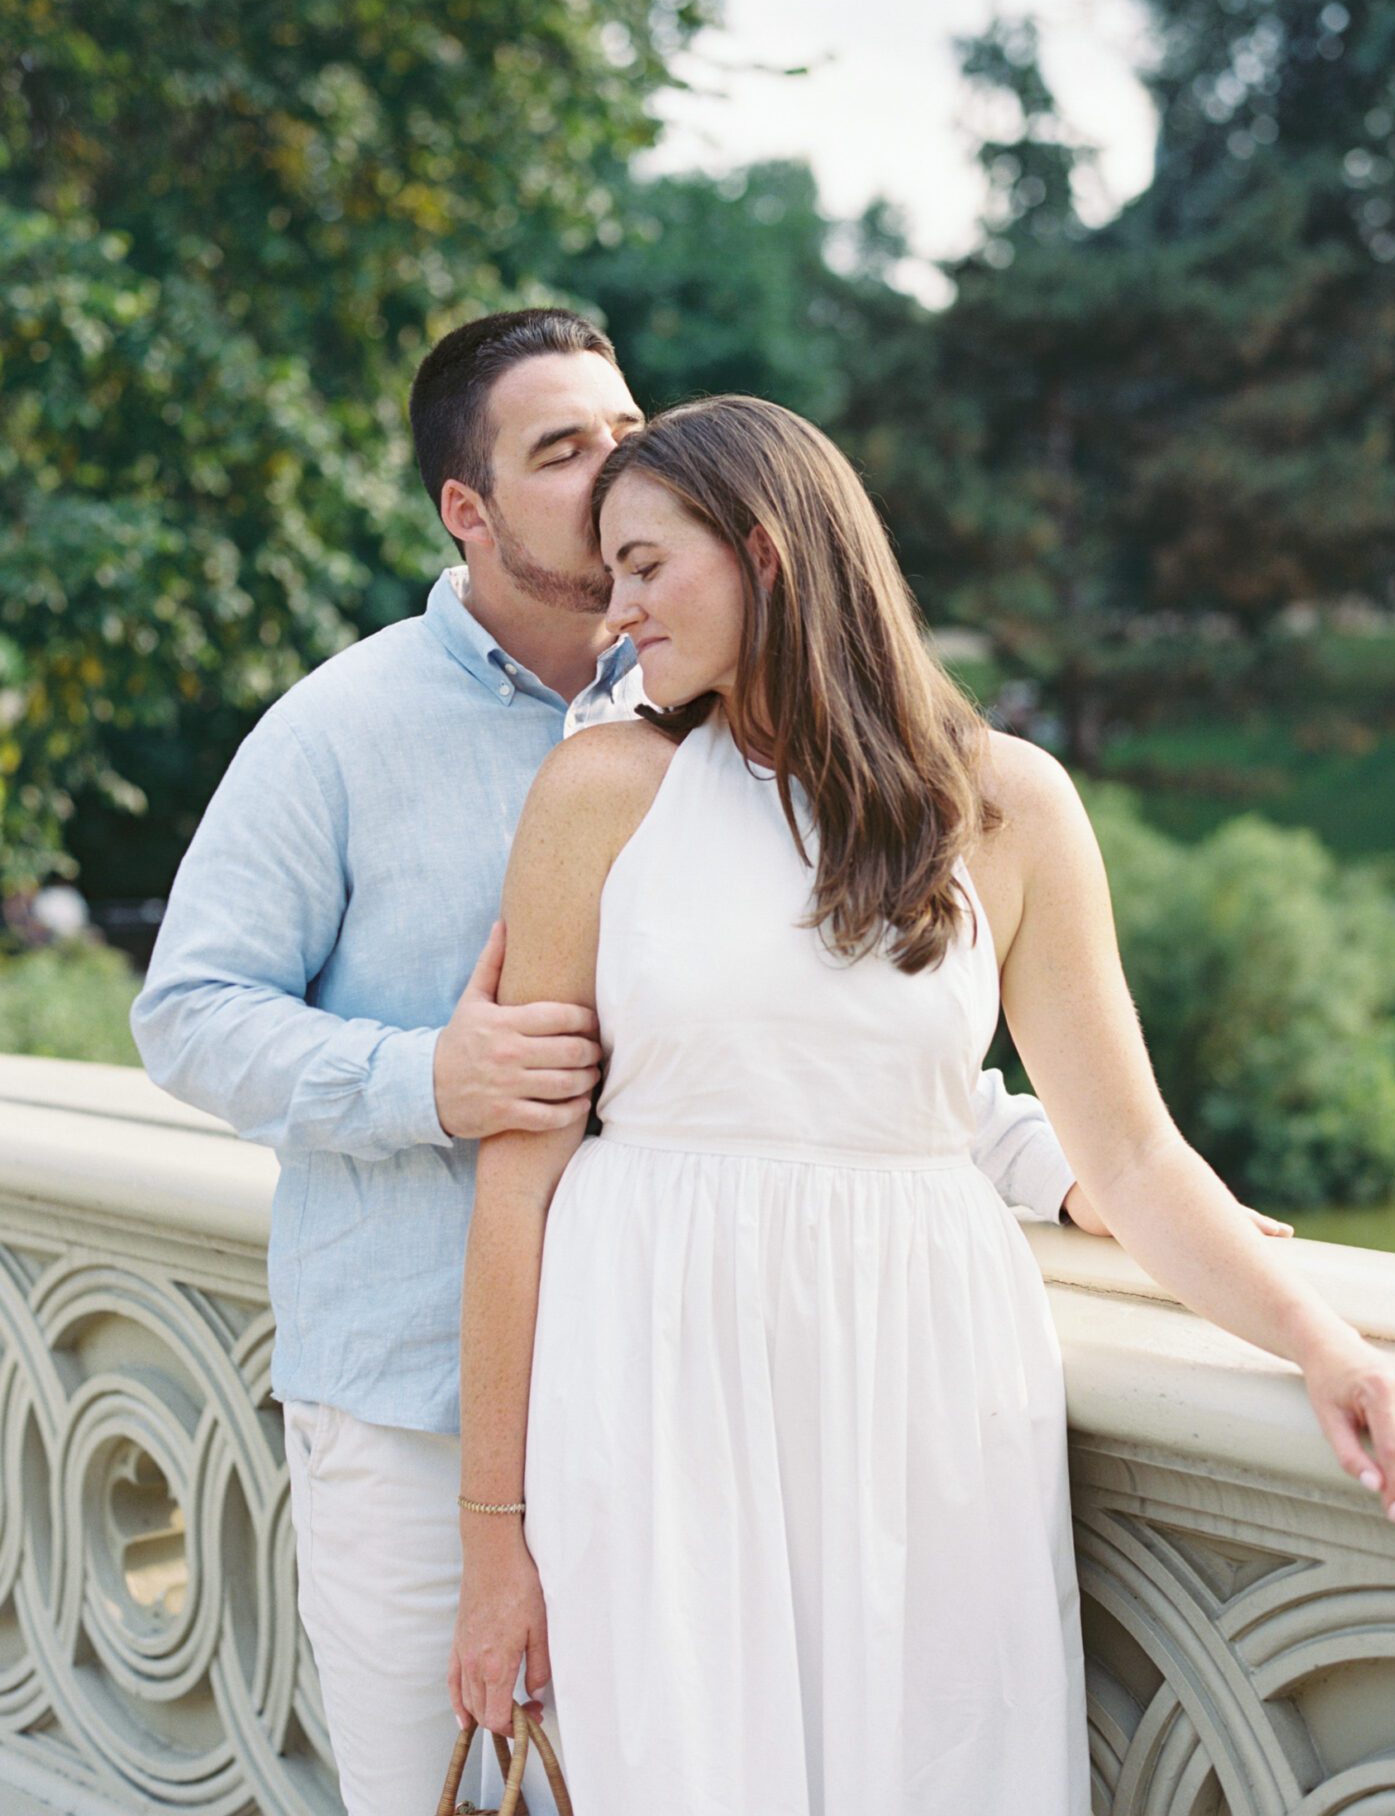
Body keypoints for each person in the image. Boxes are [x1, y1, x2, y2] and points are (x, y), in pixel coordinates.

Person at [131, 310, 1131, 1816]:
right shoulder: (342, 729)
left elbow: (786, 1057)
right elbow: (187, 1010)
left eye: (623, 426)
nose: (615, 466)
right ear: (466, 511)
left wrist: (1072, 1169)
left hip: (681, 1417)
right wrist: (429, 1081)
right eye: (562, 449)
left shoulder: (720, 714)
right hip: (417, 1399)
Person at [450, 394, 1395, 1816]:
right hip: (652, 1378)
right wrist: (494, 1546)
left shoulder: (1007, 805)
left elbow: (1128, 1149)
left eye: (642, 564)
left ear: (765, 551)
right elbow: (520, 1184)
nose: (612, 610)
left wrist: (1330, 1351)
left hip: (923, 1383)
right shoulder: (601, 793)